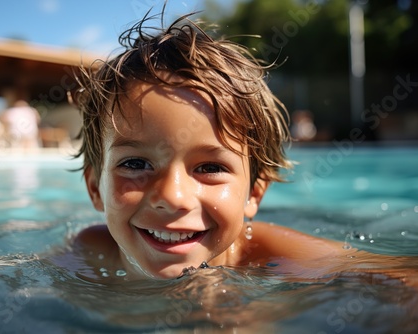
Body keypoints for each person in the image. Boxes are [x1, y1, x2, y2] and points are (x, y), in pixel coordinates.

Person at [72, 11, 418, 284]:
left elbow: (399, 281)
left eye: (209, 167)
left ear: (253, 192)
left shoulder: (276, 259)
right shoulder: (87, 251)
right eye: (135, 164)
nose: (173, 196)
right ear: (94, 188)